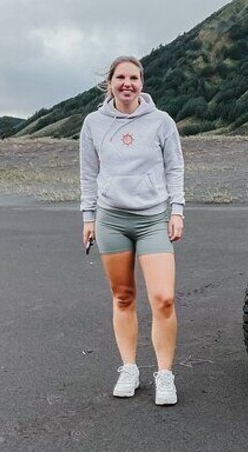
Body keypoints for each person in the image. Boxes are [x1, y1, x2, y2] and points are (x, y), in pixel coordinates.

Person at [79, 55, 184, 405]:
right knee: (123, 297)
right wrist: (88, 218)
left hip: (153, 218)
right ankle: (129, 368)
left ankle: (164, 374)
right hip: (112, 220)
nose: (127, 83)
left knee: (163, 299)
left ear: (142, 83)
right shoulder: (94, 123)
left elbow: (175, 168)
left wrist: (177, 211)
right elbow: (88, 174)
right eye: (121, 77)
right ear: (109, 82)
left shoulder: (161, 121)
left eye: (134, 77)